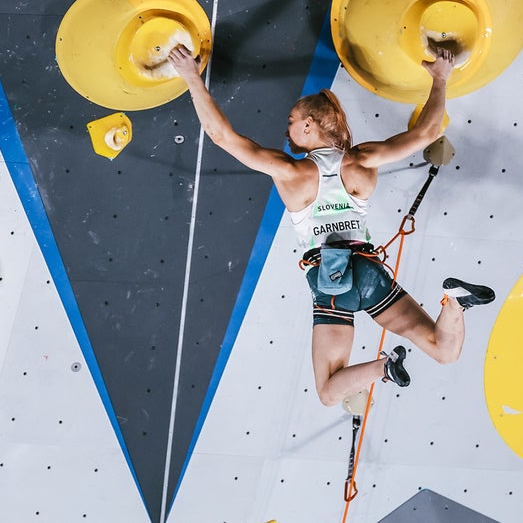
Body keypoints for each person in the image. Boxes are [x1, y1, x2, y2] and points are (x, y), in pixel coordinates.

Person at [168, 45, 494, 407]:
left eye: (292, 119)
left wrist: (191, 76)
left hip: (333, 282)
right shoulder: (363, 160)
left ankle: (385, 369)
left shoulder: (290, 171)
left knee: (327, 392)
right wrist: (441, 77)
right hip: (370, 275)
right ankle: (455, 303)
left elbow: (222, 137)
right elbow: (427, 132)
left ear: (309, 124)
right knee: (444, 350)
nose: (288, 126)